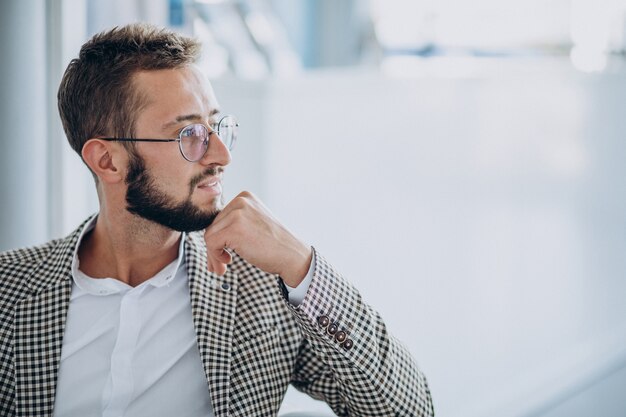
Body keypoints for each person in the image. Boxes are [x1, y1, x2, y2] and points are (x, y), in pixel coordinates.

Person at [0, 23, 433, 417]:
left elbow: (408, 411)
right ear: (108, 160)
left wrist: (303, 266)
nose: (222, 155)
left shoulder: (263, 289)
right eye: (189, 134)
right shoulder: (9, 291)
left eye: (217, 126)